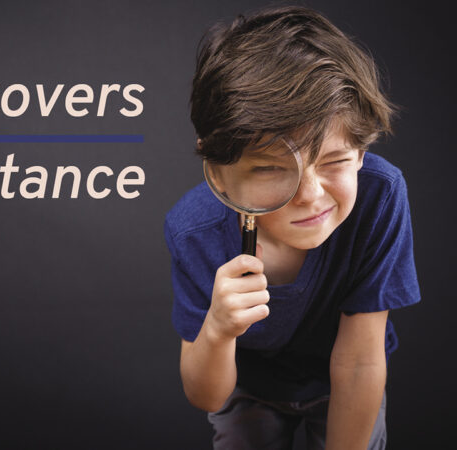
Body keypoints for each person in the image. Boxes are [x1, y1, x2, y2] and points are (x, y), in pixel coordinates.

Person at [163, 6, 421, 450]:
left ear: (361, 152)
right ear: (219, 173)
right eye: (269, 169)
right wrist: (218, 330)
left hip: (345, 378)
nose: (309, 194)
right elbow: (207, 396)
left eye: (335, 161)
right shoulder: (193, 230)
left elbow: (359, 363)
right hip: (246, 384)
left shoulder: (379, 196)